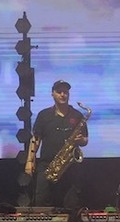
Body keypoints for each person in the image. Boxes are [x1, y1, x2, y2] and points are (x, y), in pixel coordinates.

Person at [24, 80, 88, 211]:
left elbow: (85, 140)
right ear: (52, 94)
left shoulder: (77, 115)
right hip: (47, 166)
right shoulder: (44, 115)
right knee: (41, 204)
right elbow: (36, 139)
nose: (62, 95)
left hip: (71, 168)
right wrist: (29, 161)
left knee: (72, 205)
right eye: (59, 92)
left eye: (65, 92)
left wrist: (81, 140)